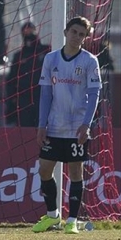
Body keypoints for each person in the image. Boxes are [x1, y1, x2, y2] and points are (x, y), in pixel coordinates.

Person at [32, 17, 101, 235]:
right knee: (44, 169)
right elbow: (45, 94)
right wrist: (41, 125)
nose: (77, 37)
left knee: (75, 171)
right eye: (74, 32)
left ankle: (72, 220)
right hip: (53, 125)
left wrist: (86, 124)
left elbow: (94, 94)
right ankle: (53, 216)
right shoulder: (51, 59)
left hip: (76, 126)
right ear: (65, 31)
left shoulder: (90, 61)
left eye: (82, 34)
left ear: (85, 37)